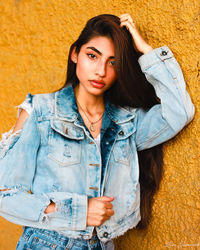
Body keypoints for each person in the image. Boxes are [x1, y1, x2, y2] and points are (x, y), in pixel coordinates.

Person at [0, 13, 195, 250]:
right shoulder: (40, 112)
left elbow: (179, 112)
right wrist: (77, 212)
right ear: (75, 54)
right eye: (92, 56)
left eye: (113, 62)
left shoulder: (126, 122)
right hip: (47, 243)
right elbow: (5, 195)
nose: (101, 71)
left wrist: (147, 52)